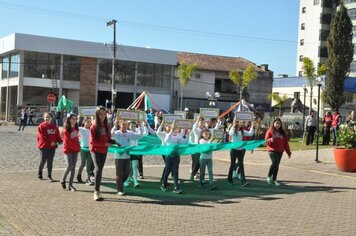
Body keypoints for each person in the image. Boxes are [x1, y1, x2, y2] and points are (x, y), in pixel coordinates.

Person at [90, 106, 116, 201]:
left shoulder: (107, 125)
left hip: (104, 150)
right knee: (97, 169)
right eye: (101, 114)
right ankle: (96, 192)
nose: (103, 116)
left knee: (100, 170)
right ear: (97, 114)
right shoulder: (93, 126)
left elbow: (108, 138)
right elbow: (93, 141)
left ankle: (98, 191)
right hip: (95, 150)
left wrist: (114, 142)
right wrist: (105, 143)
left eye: (104, 114)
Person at [113, 120, 144, 195]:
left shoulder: (130, 133)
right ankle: (119, 189)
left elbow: (139, 135)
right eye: (123, 124)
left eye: (126, 124)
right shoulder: (117, 133)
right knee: (119, 173)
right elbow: (110, 135)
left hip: (127, 155)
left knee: (127, 172)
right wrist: (114, 125)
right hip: (119, 156)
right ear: (120, 125)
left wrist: (140, 126)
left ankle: (119, 183)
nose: (124, 125)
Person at [161, 121, 189, 194]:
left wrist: (188, 134)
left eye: (176, 128)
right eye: (173, 128)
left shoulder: (178, 135)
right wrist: (171, 131)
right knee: (167, 170)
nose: (175, 129)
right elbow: (166, 140)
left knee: (175, 171)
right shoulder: (168, 135)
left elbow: (184, 142)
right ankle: (163, 184)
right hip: (169, 156)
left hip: (176, 156)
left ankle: (176, 187)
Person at [227, 116, 255, 186]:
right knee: (232, 164)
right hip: (234, 150)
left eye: (242, 122)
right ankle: (229, 179)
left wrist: (252, 126)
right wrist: (233, 125)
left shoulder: (242, 131)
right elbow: (231, 133)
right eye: (240, 122)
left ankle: (243, 180)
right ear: (237, 122)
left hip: (241, 150)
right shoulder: (233, 130)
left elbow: (250, 133)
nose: (241, 123)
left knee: (241, 165)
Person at [265, 118, 292, 186]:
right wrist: (269, 140)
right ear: (273, 124)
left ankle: (274, 180)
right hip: (272, 150)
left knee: (277, 165)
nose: (277, 125)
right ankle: (268, 177)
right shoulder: (270, 131)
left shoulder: (283, 133)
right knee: (274, 162)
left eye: (279, 123)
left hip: (280, 151)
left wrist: (288, 152)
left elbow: (286, 144)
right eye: (276, 123)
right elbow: (266, 141)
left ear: (281, 124)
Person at [37, 112, 61, 181]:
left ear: (51, 118)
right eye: (46, 117)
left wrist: (59, 140)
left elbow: (57, 135)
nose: (47, 118)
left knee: (50, 162)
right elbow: (42, 137)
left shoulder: (54, 127)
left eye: (49, 117)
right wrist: (50, 142)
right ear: (44, 118)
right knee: (42, 161)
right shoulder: (41, 126)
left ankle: (49, 175)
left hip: (52, 147)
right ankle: (40, 173)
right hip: (43, 146)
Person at [60, 113, 81, 192]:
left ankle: (71, 185)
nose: (74, 120)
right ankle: (63, 179)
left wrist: (78, 147)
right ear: (69, 119)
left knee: (73, 168)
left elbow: (76, 139)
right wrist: (76, 145)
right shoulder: (66, 129)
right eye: (73, 119)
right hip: (68, 150)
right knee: (69, 166)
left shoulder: (76, 128)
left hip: (75, 150)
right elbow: (68, 142)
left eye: (75, 119)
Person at [77, 116, 94, 185]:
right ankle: (78, 175)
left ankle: (88, 179)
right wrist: (78, 119)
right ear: (84, 122)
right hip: (83, 149)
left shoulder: (91, 130)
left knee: (89, 164)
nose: (89, 123)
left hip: (90, 149)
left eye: (90, 122)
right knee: (82, 164)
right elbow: (74, 128)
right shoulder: (81, 129)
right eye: (87, 122)